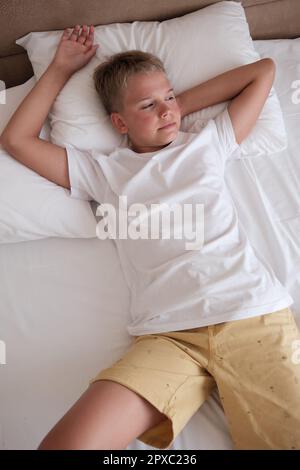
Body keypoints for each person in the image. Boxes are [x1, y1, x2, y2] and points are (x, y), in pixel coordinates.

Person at [1, 24, 300, 451]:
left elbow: (263, 71)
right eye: (147, 104)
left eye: (169, 97)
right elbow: (16, 139)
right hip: (168, 337)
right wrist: (60, 68)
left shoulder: (207, 144)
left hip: (249, 312)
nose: (166, 111)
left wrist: (169, 108)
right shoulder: (103, 172)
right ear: (118, 121)